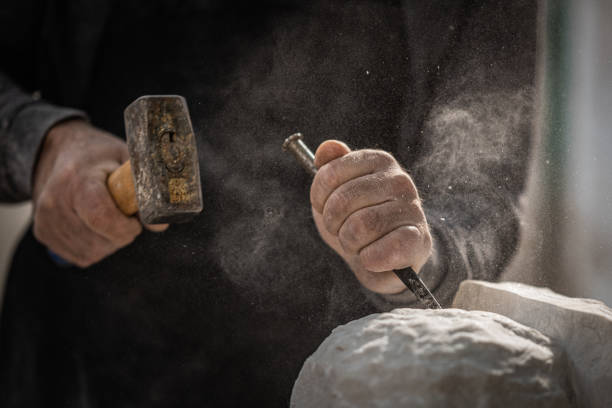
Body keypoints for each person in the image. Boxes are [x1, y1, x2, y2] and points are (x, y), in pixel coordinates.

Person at [0, 0, 536, 406]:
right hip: (82, 357)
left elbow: (483, 190)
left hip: (340, 373)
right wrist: (39, 143)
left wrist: (420, 246)